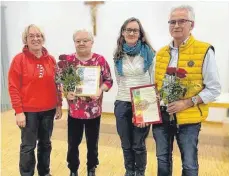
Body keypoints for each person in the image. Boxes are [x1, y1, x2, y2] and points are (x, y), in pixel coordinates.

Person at [152, 5, 221, 176]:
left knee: (189, 165)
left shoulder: (204, 50)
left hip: (188, 120)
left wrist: (187, 103)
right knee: (162, 161)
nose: (176, 25)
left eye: (182, 21)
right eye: (172, 22)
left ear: (192, 25)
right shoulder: (160, 53)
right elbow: (155, 86)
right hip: (162, 118)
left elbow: (214, 89)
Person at [8, 24, 62, 176]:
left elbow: (57, 84)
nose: (36, 38)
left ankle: (44, 173)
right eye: (31, 36)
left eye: (38, 35)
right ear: (25, 39)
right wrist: (18, 112)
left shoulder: (51, 59)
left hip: (48, 110)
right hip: (28, 112)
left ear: (43, 39)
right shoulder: (19, 60)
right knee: (28, 146)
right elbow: (13, 87)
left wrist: (59, 105)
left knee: (45, 144)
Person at [62, 29, 113, 176]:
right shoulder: (68, 61)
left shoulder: (100, 60)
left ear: (92, 42)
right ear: (74, 43)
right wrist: (67, 92)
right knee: (73, 144)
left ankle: (91, 168)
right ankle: (73, 169)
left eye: (85, 40)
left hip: (94, 112)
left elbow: (109, 80)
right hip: (74, 112)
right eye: (78, 41)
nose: (82, 43)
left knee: (92, 143)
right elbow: (61, 82)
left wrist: (100, 90)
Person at [113, 17, 156, 176]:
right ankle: (129, 171)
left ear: (140, 33)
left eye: (135, 30)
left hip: (142, 101)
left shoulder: (149, 53)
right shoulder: (117, 53)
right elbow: (119, 79)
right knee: (126, 144)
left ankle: (140, 172)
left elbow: (152, 80)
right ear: (123, 33)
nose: (131, 33)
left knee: (138, 144)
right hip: (122, 102)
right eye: (128, 30)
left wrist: (148, 110)